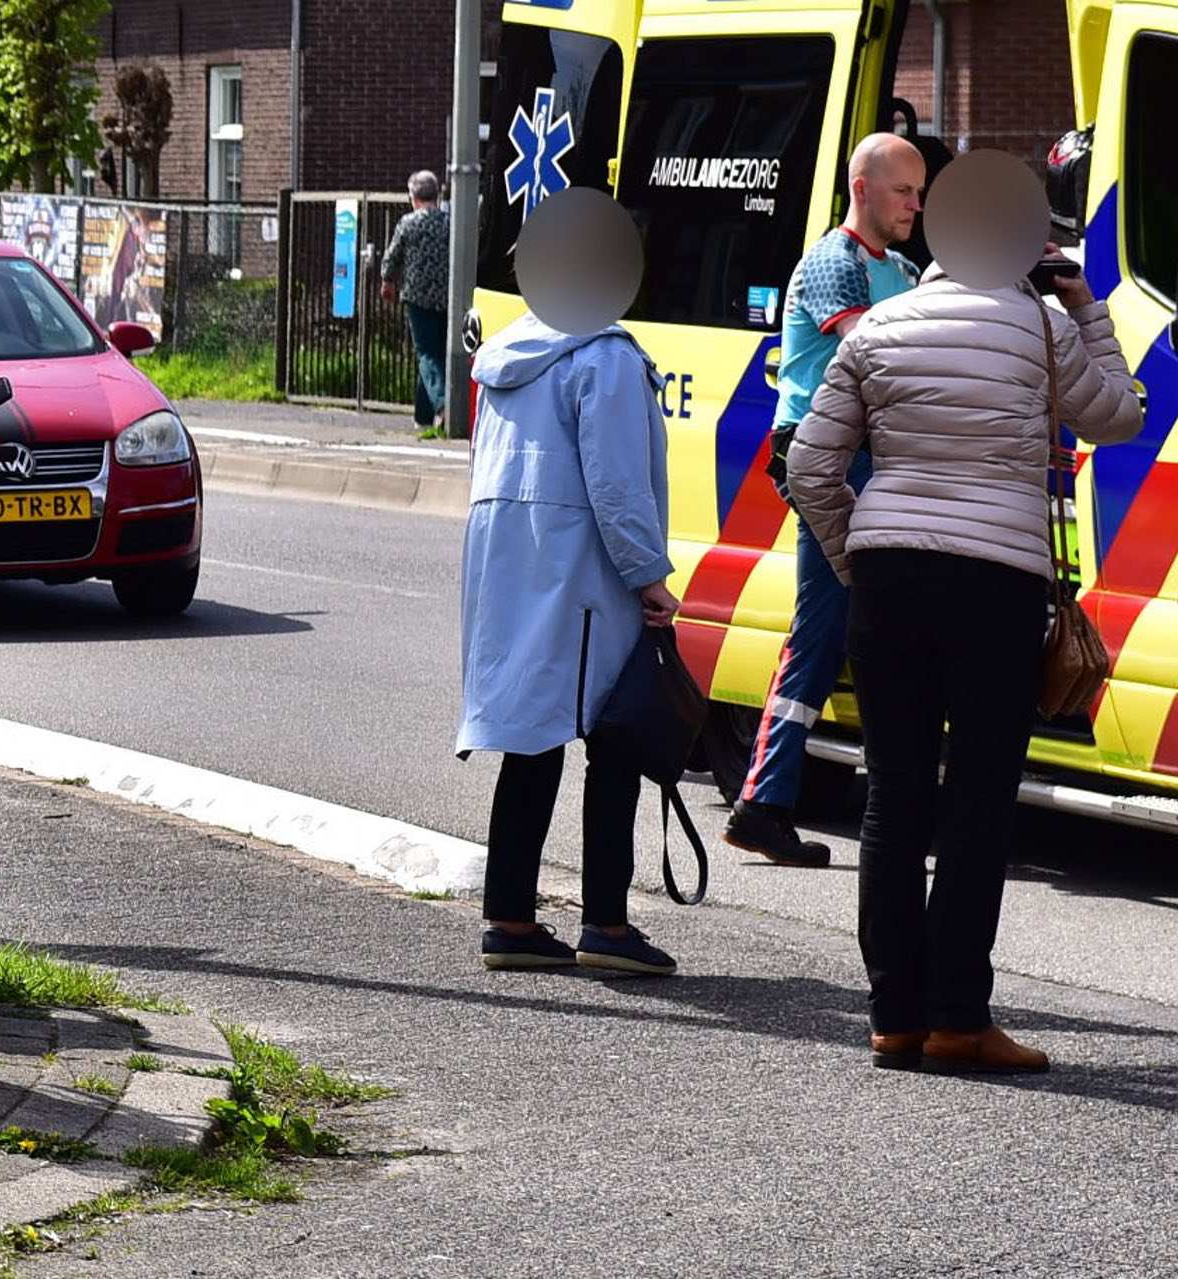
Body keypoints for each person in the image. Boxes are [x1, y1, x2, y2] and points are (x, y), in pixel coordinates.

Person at [785, 244, 1142, 1073]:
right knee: (978, 801)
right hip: (996, 586)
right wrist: (1086, 305)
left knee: (894, 797)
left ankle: (893, 1020)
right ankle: (957, 1019)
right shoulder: (1040, 326)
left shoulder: (880, 326)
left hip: (889, 580)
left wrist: (857, 559)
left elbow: (808, 463)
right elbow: (1119, 413)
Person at [455, 305, 680, 976]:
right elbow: (617, 484)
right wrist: (648, 575)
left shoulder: (504, 356)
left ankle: (510, 916)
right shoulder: (603, 357)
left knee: (532, 736)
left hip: (511, 559)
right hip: (583, 567)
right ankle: (607, 923)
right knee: (614, 736)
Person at [726, 132, 930, 868]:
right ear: (862, 188)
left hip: (868, 456)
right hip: (823, 458)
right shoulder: (830, 264)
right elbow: (870, 347)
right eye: (903, 190)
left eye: (920, 190)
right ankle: (763, 798)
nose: (916, 203)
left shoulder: (902, 268)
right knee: (826, 624)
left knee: (854, 619)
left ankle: (777, 798)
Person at [379, 170, 452, 433]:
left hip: (417, 297)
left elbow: (392, 256)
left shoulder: (408, 223)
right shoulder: (449, 223)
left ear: (413, 197)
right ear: (437, 195)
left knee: (426, 354)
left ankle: (443, 406)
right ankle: (423, 419)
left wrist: (387, 282)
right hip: (447, 298)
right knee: (436, 354)